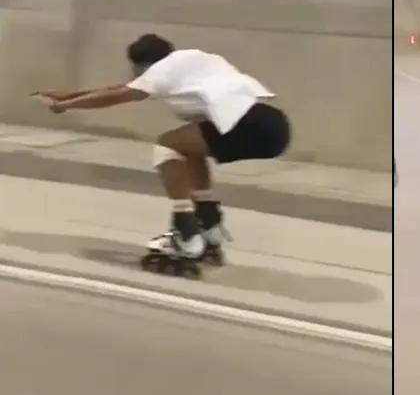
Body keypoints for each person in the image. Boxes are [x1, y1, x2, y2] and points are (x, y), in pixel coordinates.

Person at [33, 34, 290, 269]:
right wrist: (70, 95)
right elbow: (119, 89)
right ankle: (208, 225)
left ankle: (187, 234)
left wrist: (63, 106)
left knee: (167, 145)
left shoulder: (160, 72)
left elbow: (115, 96)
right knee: (188, 149)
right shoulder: (190, 60)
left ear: (140, 64)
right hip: (273, 125)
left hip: (247, 125)